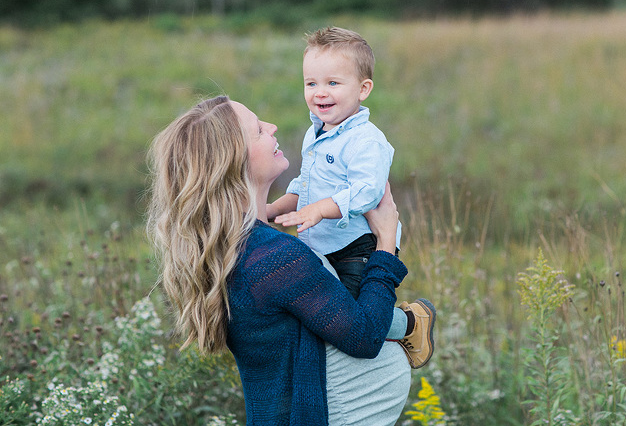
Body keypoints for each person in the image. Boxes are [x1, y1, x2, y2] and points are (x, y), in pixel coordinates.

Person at [146, 96, 426, 426]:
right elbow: (363, 337)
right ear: (235, 161)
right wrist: (385, 246)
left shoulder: (238, 245)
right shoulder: (272, 257)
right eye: (259, 130)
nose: (273, 127)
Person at [267, 27, 435, 368]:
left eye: (332, 83)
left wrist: (320, 210)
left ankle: (412, 323)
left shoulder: (365, 140)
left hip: (357, 246)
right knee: (326, 313)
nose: (320, 93)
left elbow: (367, 192)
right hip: (325, 243)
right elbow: (305, 184)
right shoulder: (316, 132)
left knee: (354, 317)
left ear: (363, 89)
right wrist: (272, 209)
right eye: (311, 83)